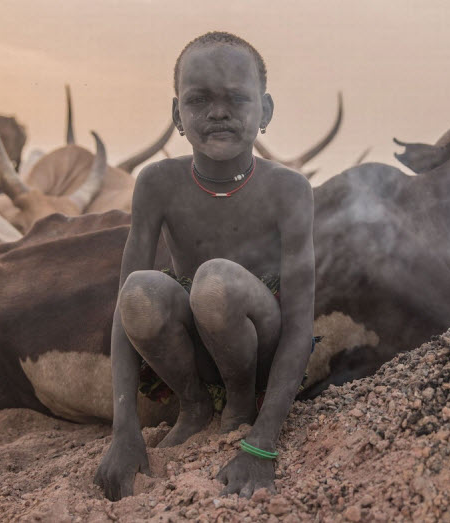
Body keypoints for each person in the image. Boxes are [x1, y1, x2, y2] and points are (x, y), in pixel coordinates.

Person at [94, 31, 315, 501]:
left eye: (236, 98)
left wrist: (264, 445)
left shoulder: (289, 190)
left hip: (259, 348)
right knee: (137, 290)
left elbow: (299, 326)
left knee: (215, 281)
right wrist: (124, 429)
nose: (218, 112)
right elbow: (122, 314)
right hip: (194, 347)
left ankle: (239, 409)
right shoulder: (155, 183)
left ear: (266, 111)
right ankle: (193, 406)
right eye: (198, 100)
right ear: (177, 115)